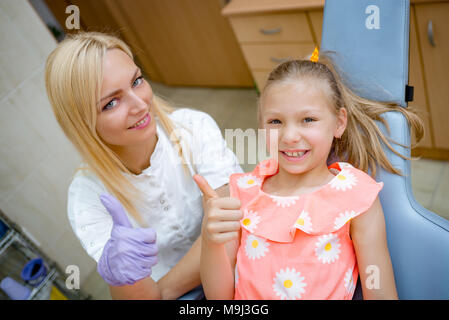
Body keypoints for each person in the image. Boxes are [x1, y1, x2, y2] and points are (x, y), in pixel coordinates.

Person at [195, 51, 424, 299]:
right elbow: (219, 297)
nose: (290, 136)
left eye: (307, 119)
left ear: (339, 123)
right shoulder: (240, 194)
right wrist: (210, 242)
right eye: (275, 122)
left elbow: (379, 288)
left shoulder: (357, 198)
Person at [44, 32, 243, 299]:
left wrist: (163, 290)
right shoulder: (87, 199)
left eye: (136, 81)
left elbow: (232, 230)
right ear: (83, 124)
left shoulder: (194, 127)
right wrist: (121, 275)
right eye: (111, 103)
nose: (140, 105)